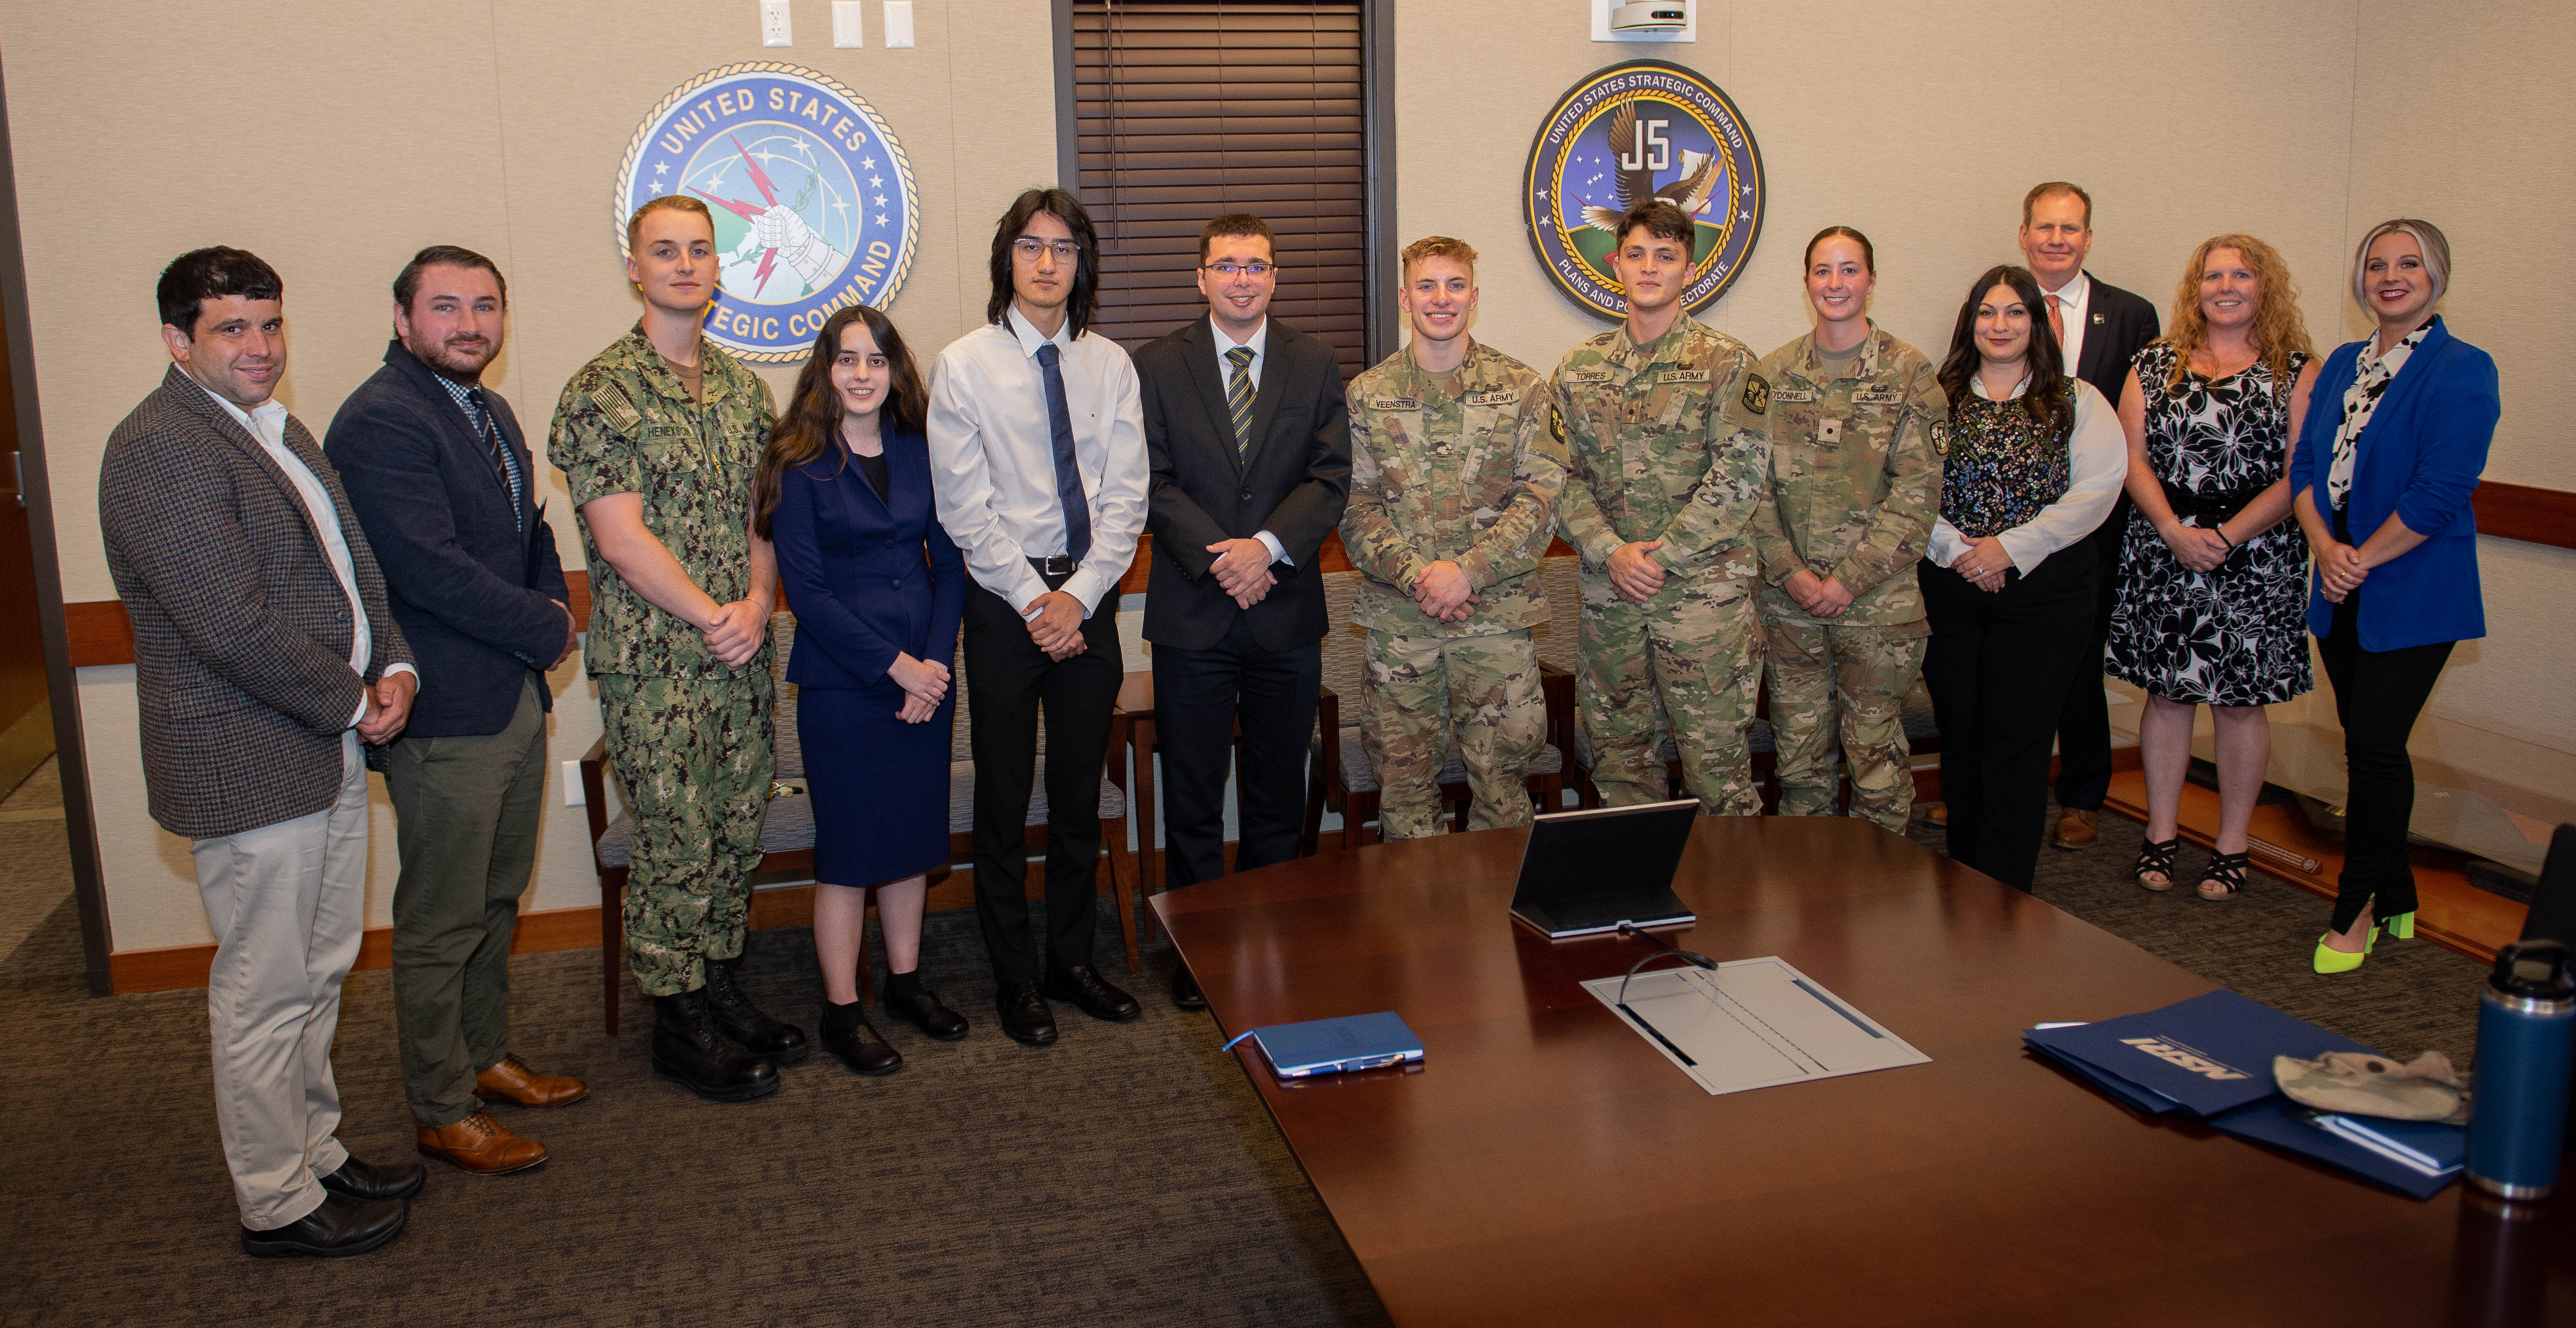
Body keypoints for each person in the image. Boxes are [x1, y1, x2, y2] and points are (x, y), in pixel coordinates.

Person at [100, 247, 422, 1257]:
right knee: (264, 984)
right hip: (250, 756)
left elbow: (353, 570)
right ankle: (275, 1201)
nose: (260, 347)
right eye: (233, 328)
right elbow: (227, 623)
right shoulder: (160, 445)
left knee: (319, 970)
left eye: (270, 324)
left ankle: (314, 1151)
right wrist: (353, 698)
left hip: (320, 745)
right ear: (177, 341)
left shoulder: (278, 429)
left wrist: (398, 667)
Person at [324, 246, 585, 1176]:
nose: (469, 324)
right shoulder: (382, 421)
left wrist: (554, 608)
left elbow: (531, 533)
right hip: (444, 713)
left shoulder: (488, 410)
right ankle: (440, 1106)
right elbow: (424, 569)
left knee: (494, 900)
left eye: (484, 306)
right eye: (446, 307)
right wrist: (542, 629)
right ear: (403, 320)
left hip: (508, 697)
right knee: (439, 920)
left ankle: (484, 1059)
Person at [552, 196, 801, 1101]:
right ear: (634, 266)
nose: (684, 265)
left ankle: (718, 984)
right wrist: (714, 614)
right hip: (658, 666)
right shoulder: (599, 392)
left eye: (699, 250)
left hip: (739, 653)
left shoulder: (744, 389)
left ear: (717, 268)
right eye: (665, 251)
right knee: (673, 839)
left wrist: (760, 603)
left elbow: (759, 518)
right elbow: (619, 537)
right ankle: (676, 1017)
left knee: (736, 828)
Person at [926, 187, 1150, 1045]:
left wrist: (1078, 597)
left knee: (1073, 801)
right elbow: (963, 507)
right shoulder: (963, 365)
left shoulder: (1110, 366)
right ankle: (1013, 978)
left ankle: (1069, 961)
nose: (1047, 262)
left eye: (1063, 247)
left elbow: (1126, 497)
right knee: (1003, 796)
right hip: (1001, 606)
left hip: (1088, 603)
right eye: (1030, 246)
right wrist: (1032, 600)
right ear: (1006, 261)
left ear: (1081, 263)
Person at [1134, 214, 1350, 1009]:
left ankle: (1273, 936)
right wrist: (1226, 557)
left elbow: (1329, 479)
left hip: (1284, 610)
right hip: (1193, 609)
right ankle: (1202, 951)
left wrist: (1265, 547)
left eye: (1256, 266)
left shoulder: (1313, 361)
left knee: (1274, 791)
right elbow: (1150, 480)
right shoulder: (1155, 365)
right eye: (1226, 266)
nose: (1241, 279)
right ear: (1200, 278)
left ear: (1274, 276)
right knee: (1191, 791)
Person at [756, 304, 969, 1070]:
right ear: (825, 369)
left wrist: (933, 664)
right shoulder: (798, 459)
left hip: (926, 680)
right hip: (845, 685)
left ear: (894, 371)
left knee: (911, 841)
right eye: (847, 360)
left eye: (876, 360)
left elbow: (948, 565)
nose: (861, 374)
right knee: (848, 852)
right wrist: (896, 666)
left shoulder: (920, 450)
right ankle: (842, 1009)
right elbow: (807, 595)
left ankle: (906, 983)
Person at [2290, 219, 2496, 973]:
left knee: (2374, 746)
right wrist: (2324, 550)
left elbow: (2441, 491)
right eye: (2376, 264)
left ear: (2436, 275)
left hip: (2410, 587)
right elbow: (2307, 464)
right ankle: (2400, 888)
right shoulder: (2344, 360)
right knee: (2369, 746)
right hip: (2340, 576)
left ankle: (2357, 905)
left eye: (2409, 263)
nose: (2391, 276)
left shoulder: (2462, 368)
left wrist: (2358, 560)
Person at [2107, 235, 2318, 900]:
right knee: (2166, 696)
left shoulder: (2295, 369)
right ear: (2193, 288)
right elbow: (2129, 455)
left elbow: (2299, 472)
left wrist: (2224, 536)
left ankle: (2231, 844)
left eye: (2240, 274)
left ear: (2265, 286)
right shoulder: (2154, 363)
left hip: (2255, 555)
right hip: (2163, 548)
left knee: (2238, 704)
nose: (2224, 286)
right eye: (2211, 275)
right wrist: (2173, 530)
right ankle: (2160, 834)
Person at [1551, 201, 1772, 814]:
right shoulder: (1577, 370)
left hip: (1702, 607)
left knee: (1718, 777)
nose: (1650, 267)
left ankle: (1731, 907)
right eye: (1637, 253)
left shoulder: (1727, 363)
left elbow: (1740, 477)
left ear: (1689, 269)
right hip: (1611, 603)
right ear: (1614, 263)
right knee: (1620, 773)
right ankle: (1640, 906)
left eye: (1666, 256)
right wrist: (1611, 552)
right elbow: (1555, 477)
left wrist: (1660, 558)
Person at [1340, 236, 1563, 839]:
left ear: (1474, 296)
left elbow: (1541, 498)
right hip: (1401, 630)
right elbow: (1355, 507)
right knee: (1405, 797)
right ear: (1405, 298)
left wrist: (1470, 571)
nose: (1442, 299)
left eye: (1455, 285)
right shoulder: (1366, 394)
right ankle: (1416, 934)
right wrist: (1420, 576)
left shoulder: (1521, 388)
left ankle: (1504, 930)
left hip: (1494, 623)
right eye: (1427, 286)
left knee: (1503, 793)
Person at [1921, 265, 2124, 892]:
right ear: (1969, 321)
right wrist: (1959, 549)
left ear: (2036, 322)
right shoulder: (1936, 396)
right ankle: (1962, 878)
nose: (1999, 324)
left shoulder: (2075, 398)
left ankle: (2004, 891)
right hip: (1951, 586)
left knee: (2017, 741)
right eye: (1987, 311)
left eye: (2014, 312)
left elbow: (2098, 488)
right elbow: (1903, 485)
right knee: (1961, 733)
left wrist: (2007, 548)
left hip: (2046, 593)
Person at [1748, 227, 1943, 834]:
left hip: (1877, 610)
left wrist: (1844, 582)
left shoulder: (1910, 373)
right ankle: (1810, 896)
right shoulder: (1771, 374)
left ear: (1871, 281)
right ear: (1805, 281)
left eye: (1849, 270)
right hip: (1789, 608)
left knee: (1874, 760)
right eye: (1822, 271)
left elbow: (1916, 496)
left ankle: (1879, 901)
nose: (1835, 284)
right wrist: (1794, 575)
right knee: (1799, 762)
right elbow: (1748, 489)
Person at [2014, 183, 2162, 849]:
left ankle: (2081, 793)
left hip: (2097, 517)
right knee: (2006, 656)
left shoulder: (2129, 315)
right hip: (2009, 521)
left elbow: (2143, 426)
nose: (2055, 239)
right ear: (2023, 235)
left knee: (2078, 655)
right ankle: (2000, 783)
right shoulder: (1997, 304)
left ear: (2088, 239)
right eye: (2044, 227)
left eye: (2069, 228)